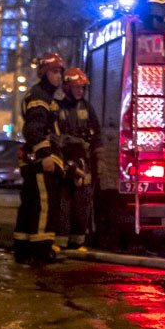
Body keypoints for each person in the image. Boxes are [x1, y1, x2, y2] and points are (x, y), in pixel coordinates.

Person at [14, 52, 66, 265]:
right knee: (44, 204)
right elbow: (35, 129)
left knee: (30, 205)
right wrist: (45, 155)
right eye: (54, 71)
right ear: (44, 73)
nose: (59, 76)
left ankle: (23, 248)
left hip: (32, 161)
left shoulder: (44, 97)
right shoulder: (40, 97)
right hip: (39, 162)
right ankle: (41, 249)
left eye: (60, 72)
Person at [57, 67, 101, 251]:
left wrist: (99, 160)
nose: (80, 91)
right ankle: (59, 242)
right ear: (67, 86)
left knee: (82, 204)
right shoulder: (57, 107)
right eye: (76, 87)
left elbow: (97, 134)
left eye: (82, 88)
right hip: (65, 163)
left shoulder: (86, 107)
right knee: (63, 204)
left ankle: (78, 242)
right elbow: (55, 136)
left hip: (84, 163)